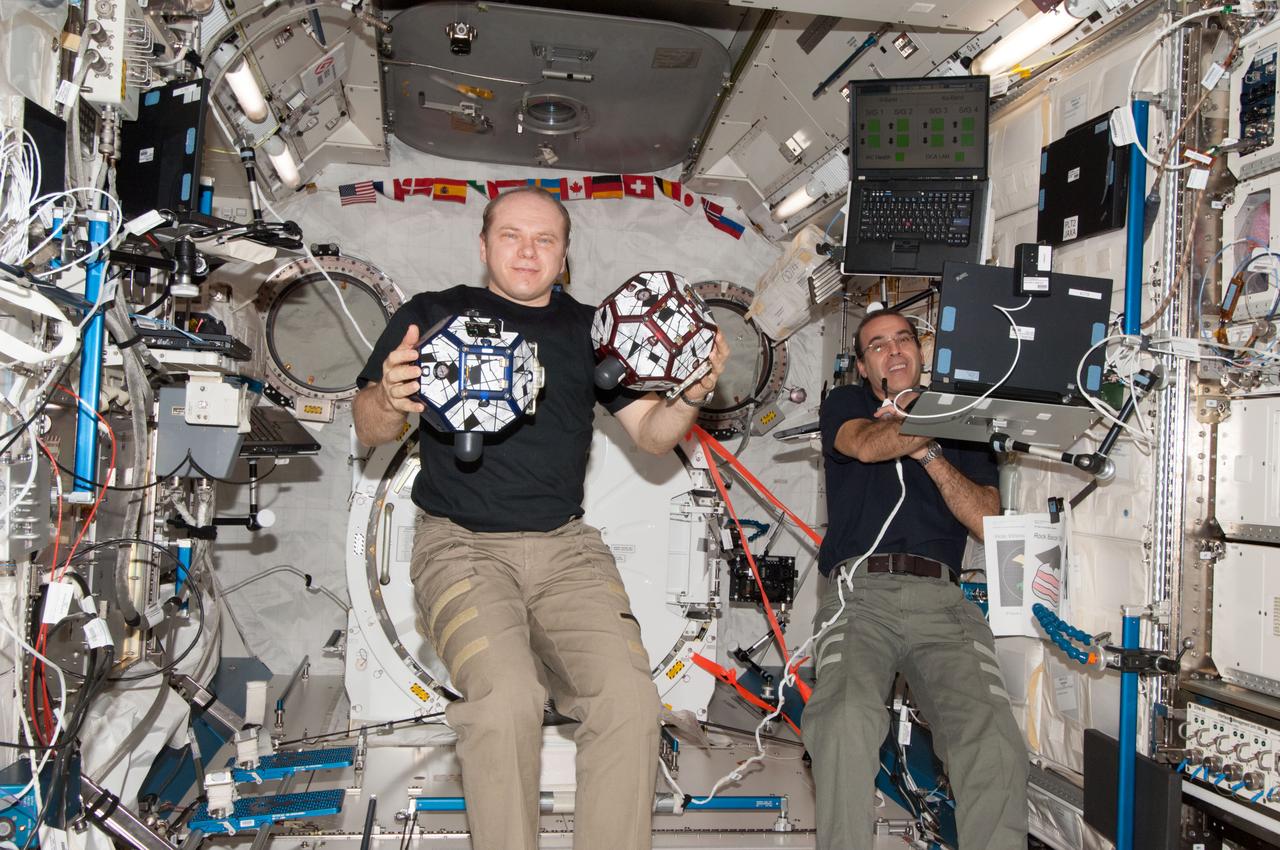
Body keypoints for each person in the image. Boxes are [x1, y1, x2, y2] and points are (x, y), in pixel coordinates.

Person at [352, 187, 728, 850]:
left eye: (545, 239)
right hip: (460, 547)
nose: (528, 251)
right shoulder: (432, 316)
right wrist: (388, 395)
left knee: (630, 705)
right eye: (512, 236)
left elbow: (652, 434)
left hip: (566, 550)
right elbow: (369, 422)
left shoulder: (589, 333)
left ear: (565, 256)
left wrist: (693, 393)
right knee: (504, 703)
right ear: (483, 245)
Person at [802, 308, 1027, 850]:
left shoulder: (963, 420)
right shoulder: (847, 404)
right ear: (861, 364)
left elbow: (986, 519)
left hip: (943, 602)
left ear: (921, 354)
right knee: (844, 721)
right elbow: (866, 445)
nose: (895, 350)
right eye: (877, 345)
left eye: (904, 339)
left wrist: (931, 451)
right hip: (860, 596)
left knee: (994, 740)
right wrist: (931, 421)